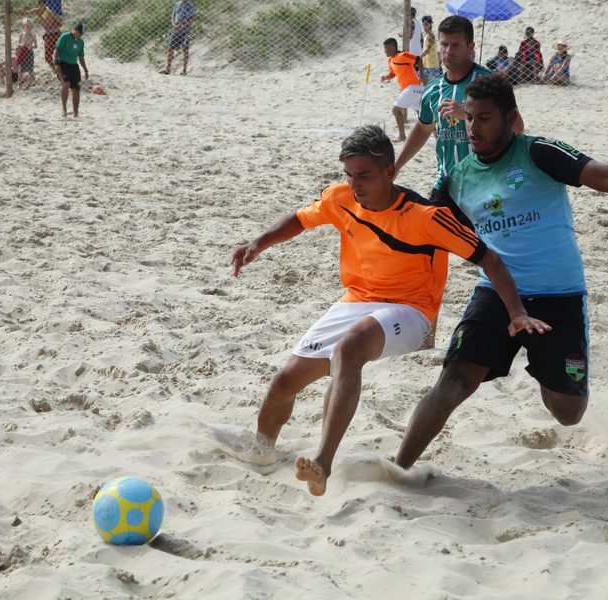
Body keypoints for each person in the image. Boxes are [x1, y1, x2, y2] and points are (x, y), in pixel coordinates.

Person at [392, 74, 608, 470]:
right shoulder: (458, 178)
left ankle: (544, 363)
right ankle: (398, 469)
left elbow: (603, 175)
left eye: (483, 118)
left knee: (567, 411)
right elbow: (426, 231)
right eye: (468, 118)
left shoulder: (538, 152)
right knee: (453, 382)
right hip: (497, 294)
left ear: (510, 118)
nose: (473, 128)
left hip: (559, 296)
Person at [231, 125, 549, 496]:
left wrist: (516, 312)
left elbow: (489, 259)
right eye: (349, 175)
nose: (355, 185)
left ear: (390, 172)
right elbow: (301, 219)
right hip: (357, 300)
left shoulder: (427, 216)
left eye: (364, 176)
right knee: (285, 382)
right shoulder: (340, 198)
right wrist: (258, 243)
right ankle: (262, 452)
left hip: (411, 311)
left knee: (349, 348)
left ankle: (323, 462)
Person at [394, 15, 524, 349]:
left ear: (471, 46)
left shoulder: (489, 83)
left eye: (456, 45)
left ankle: (518, 323)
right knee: (429, 256)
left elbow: (518, 128)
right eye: (444, 44)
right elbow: (423, 128)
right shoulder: (433, 88)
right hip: (448, 185)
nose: (448, 51)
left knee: (501, 257)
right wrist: (396, 166)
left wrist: (466, 114)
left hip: (489, 183)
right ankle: (427, 336)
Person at [381, 37, 423, 143]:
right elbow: (393, 74)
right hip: (412, 90)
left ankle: (402, 136)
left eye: (386, 48)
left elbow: (419, 59)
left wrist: (422, 77)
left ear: (393, 47)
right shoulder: (391, 60)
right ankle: (437, 134)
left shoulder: (403, 55)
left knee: (396, 110)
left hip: (413, 87)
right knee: (422, 114)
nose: (385, 51)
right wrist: (386, 77)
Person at [53, 22, 88, 118]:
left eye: (82, 34)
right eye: (80, 33)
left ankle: (75, 112)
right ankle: (64, 109)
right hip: (63, 64)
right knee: (66, 84)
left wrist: (85, 70)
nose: (81, 35)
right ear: (76, 30)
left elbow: (81, 57)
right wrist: (56, 64)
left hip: (74, 66)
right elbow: (56, 50)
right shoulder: (65, 37)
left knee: (76, 89)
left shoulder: (81, 42)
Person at [16, 0, 63, 71]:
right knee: (48, 57)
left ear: (46, 5)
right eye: (40, 5)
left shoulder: (49, 12)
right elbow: (26, 13)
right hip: (48, 35)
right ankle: (56, 71)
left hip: (55, 34)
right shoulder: (38, 11)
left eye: (43, 5)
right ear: (38, 5)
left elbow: (60, 23)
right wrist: (14, 11)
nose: (42, 7)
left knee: (57, 55)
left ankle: (59, 70)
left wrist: (53, 19)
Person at [161, 0, 195, 75]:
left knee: (185, 49)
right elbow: (173, 16)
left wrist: (182, 26)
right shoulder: (177, 4)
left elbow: (192, 19)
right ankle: (168, 69)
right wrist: (174, 25)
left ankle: (184, 70)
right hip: (176, 29)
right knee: (170, 48)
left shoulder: (190, 5)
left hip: (185, 30)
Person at [16, 18, 37, 90]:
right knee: (21, 68)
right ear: (23, 26)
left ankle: (29, 82)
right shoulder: (21, 34)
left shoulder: (33, 35)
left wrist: (31, 46)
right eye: (26, 26)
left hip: (29, 52)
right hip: (23, 52)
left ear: (32, 27)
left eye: (29, 26)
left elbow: (36, 45)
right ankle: (19, 84)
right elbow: (18, 43)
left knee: (30, 68)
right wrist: (21, 45)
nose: (27, 27)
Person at [420, 15, 440, 85]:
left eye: (426, 24)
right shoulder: (426, 35)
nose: (424, 27)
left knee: (433, 85)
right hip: (427, 64)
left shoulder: (431, 35)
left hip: (432, 65)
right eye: (423, 24)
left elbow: (428, 50)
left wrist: (419, 57)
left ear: (431, 24)